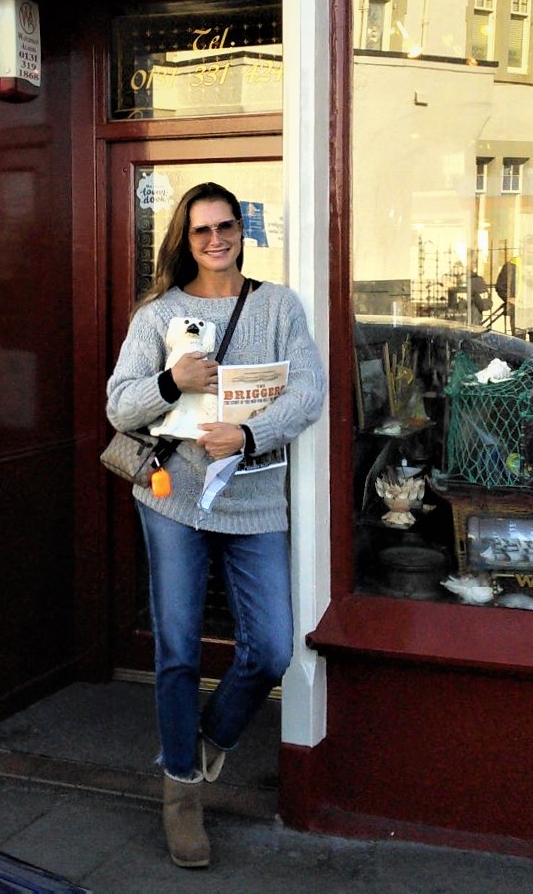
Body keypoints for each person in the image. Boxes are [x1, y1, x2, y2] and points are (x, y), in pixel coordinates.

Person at [106, 182, 326, 869]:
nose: (214, 239)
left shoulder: (277, 305)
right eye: (200, 230)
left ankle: (205, 741)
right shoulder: (159, 313)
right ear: (185, 238)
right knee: (176, 649)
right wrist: (173, 381)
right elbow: (119, 405)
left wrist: (251, 434)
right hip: (174, 501)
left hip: (254, 501)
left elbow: (309, 390)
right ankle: (180, 796)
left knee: (267, 647)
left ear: (241, 229)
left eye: (224, 225)